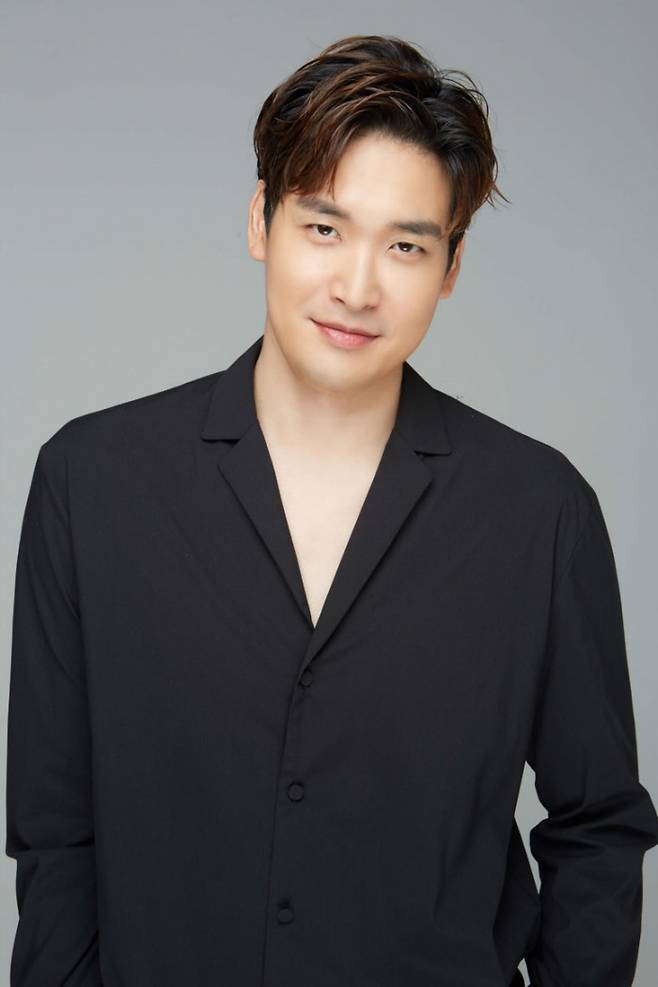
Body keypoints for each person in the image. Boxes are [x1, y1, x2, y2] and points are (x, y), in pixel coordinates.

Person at [6, 33, 658, 987]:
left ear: (452, 266)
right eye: (324, 227)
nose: (357, 287)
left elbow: (599, 825)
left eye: (406, 245)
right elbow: (55, 835)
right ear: (260, 221)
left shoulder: (541, 512)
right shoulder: (90, 482)